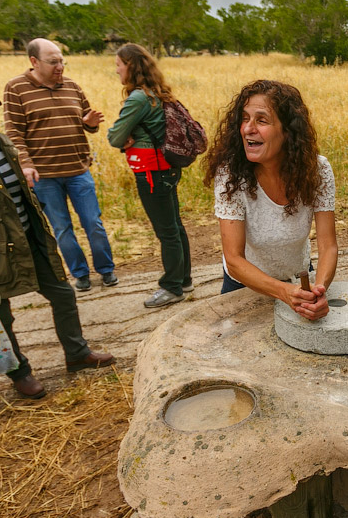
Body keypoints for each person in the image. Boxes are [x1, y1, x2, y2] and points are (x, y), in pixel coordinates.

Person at [0, 75, 115, 400]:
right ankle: (19, 372)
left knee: (63, 295)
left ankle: (77, 354)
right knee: (1, 312)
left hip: (29, 238)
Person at [201, 79, 336, 320]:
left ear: (288, 131)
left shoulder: (317, 170)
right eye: (244, 118)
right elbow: (233, 260)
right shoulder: (231, 174)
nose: (247, 129)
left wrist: (319, 289)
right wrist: (286, 293)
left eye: (261, 120)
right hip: (243, 286)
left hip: (301, 279)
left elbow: (328, 246)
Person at [2, 38, 116, 291]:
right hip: (44, 177)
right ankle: (80, 274)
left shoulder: (72, 86)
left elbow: (87, 123)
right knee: (62, 228)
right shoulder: (16, 88)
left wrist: (91, 123)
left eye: (62, 61)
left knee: (93, 223)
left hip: (78, 171)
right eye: (53, 62)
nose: (60, 66)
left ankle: (106, 270)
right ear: (34, 62)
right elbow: (14, 132)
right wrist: (26, 163)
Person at [107, 43, 193, 308]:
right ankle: (184, 278)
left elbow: (114, 137)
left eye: (119, 64)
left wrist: (126, 138)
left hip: (152, 172)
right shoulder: (158, 93)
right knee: (175, 225)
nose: (116, 69)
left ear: (130, 66)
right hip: (167, 169)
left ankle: (172, 287)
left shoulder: (138, 98)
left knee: (166, 231)